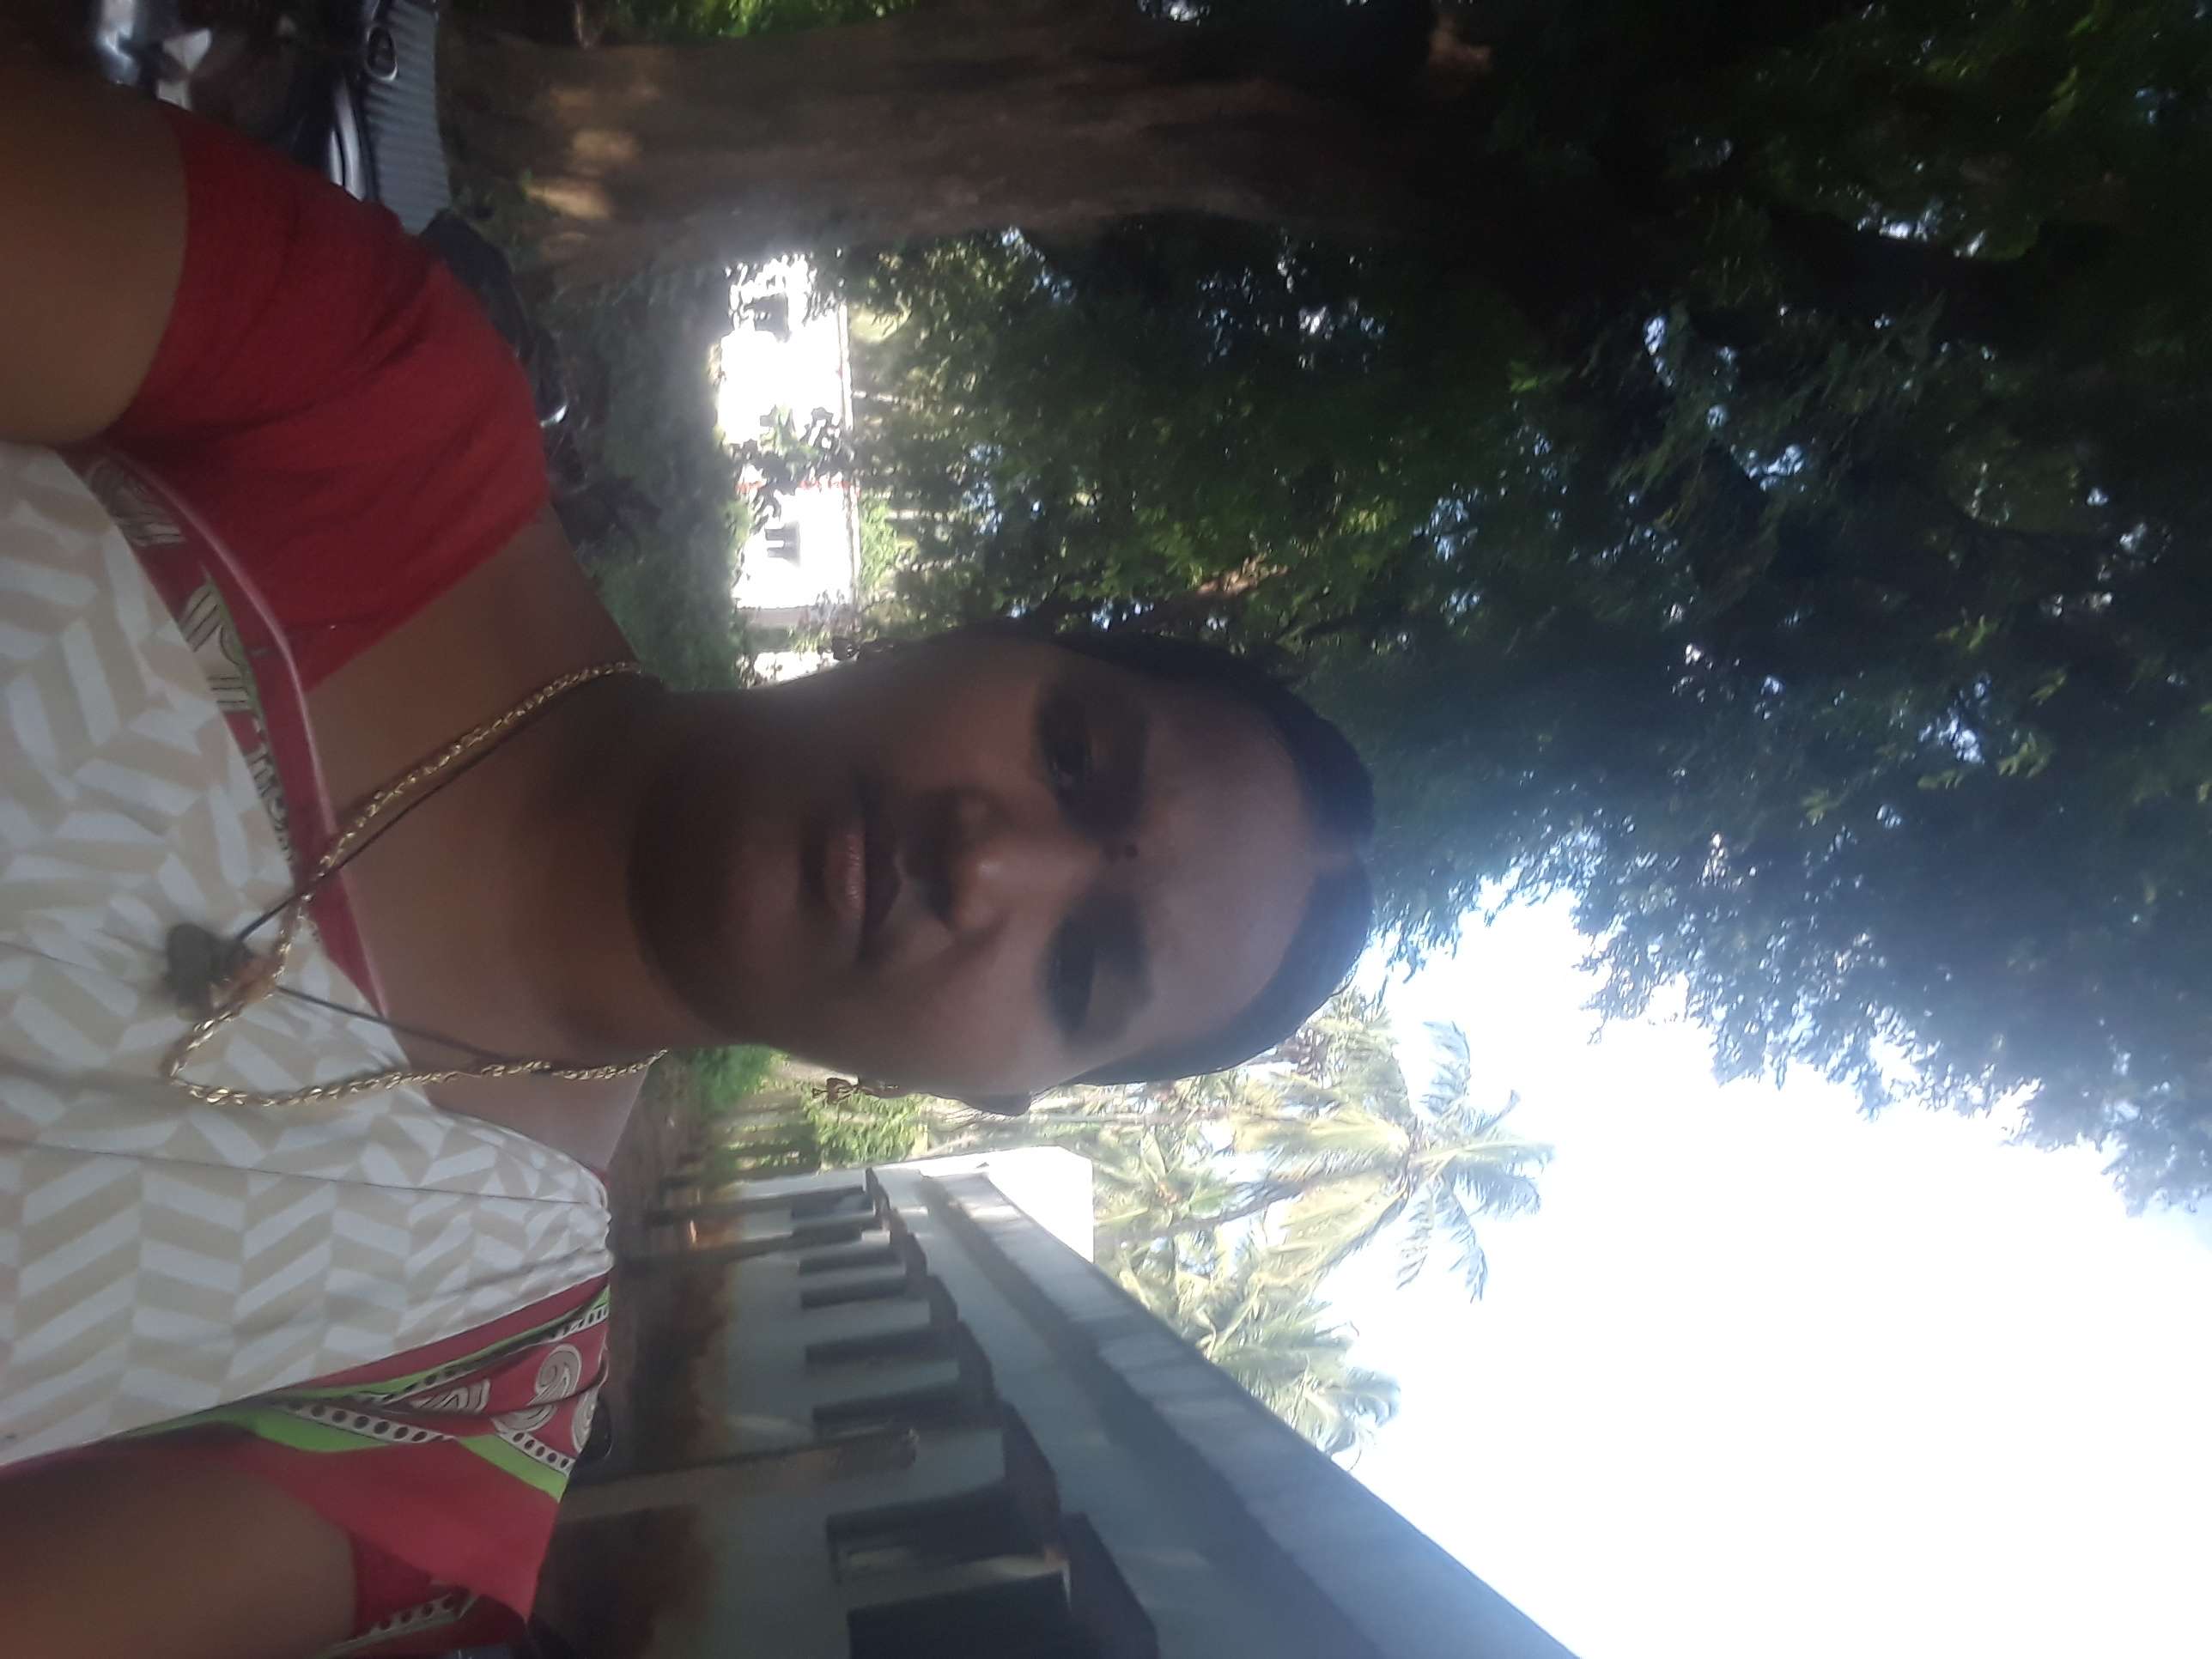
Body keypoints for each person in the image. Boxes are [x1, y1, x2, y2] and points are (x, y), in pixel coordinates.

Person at [0, 67, 1374, 1659]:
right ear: (984, 635)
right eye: (1072, 754)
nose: (989, 864)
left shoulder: (448, 1405)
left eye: (1084, 966)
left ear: (999, 1095)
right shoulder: (371, 415)